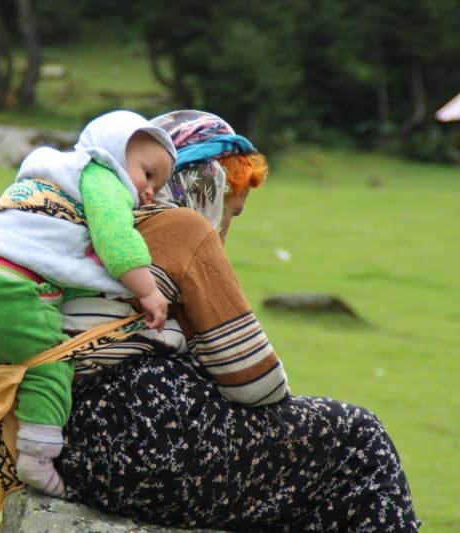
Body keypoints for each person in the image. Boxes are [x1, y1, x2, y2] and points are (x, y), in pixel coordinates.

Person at [55, 110, 420, 532]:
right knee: (360, 438)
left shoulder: (79, 225)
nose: (224, 230)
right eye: (229, 212)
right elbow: (257, 385)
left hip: (76, 448)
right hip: (157, 444)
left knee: (290, 474)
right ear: (202, 186)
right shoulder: (181, 228)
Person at [0, 109, 176, 498]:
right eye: (147, 174)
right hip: (8, 293)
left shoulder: (48, 177)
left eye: (160, 185)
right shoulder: (103, 176)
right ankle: (36, 457)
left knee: (17, 363)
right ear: (114, 151)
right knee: (51, 364)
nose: (150, 190)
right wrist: (148, 291)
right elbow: (117, 243)